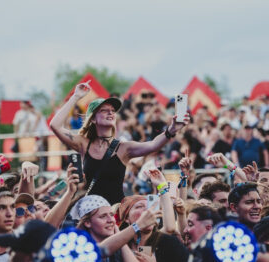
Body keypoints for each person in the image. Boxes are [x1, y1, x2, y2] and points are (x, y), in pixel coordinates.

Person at [50, 80, 189, 204]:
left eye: (112, 111)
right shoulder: (83, 143)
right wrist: (76, 96)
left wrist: (171, 130)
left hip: (116, 213)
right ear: (92, 119)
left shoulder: (124, 148)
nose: (110, 113)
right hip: (91, 212)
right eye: (104, 111)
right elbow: (55, 125)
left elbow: (153, 145)